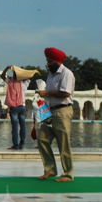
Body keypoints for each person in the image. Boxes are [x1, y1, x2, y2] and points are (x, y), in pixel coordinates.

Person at [37, 47, 75, 182]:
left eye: (49, 61)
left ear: (56, 61)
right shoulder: (51, 75)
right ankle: (50, 170)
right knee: (42, 138)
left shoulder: (66, 73)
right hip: (50, 110)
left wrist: (46, 93)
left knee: (63, 143)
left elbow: (65, 93)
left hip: (62, 111)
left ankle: (68, 174)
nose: (47, 64)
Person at [1, 65, 40, 150]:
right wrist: (33, 71)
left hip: (14, 108)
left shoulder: (10, 82)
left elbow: (2, 76)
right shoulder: (24, 84)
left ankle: (15, 145)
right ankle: (21, 145)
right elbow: (30, 77)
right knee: (23, 127)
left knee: (15, 127)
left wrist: (7, 68)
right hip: (22, 107)